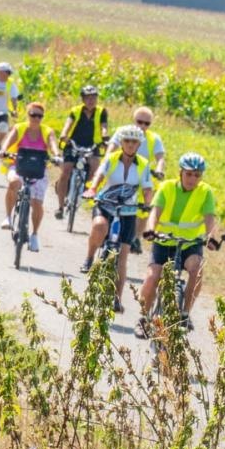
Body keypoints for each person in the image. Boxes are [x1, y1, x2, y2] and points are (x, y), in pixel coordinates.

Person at [137, 153, 221, 336]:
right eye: (189, 174)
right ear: (180, 172)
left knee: (197, 269)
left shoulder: (205, 192)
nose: (192, 179)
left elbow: (209, 219)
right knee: (153, 277)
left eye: (197, 175)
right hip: (163, 241)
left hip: (189, 244)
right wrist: (150, 229)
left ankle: (184, 313)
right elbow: (155, 212)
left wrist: (212, 237)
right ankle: (143, 318)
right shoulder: (167, 187)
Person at [81, 125, 155, 312]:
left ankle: (116, 299)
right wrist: (92, 189)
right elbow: (99, 175)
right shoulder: (112, 158)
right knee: (99, 226)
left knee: (122, 255)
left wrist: (148, 202)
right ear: (121, 142)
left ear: (139, 144)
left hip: (128, 210)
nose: (130, 145)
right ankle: (89, 258)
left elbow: (147, 187)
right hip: (106, 204)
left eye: (134, 142)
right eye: (127, 141)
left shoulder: (144, 164)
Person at [0, 103, 60, 252]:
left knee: (37, 202)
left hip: (39, 170)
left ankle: (34, 234)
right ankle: (8, 216)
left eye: (39, 116)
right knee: (14, 183)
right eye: (33, 115)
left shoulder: (47, 131)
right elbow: (8, 140)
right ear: (28, 115)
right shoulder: (20, 128)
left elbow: (53, 144)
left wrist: (57, 155)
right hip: (18, 166)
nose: (36, 118)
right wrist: (3, 150)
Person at [55, 86, 109, 220]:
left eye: (94, 98)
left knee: (95, 168)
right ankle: (60, 207)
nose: (91, 101)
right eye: (88, 98)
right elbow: (68, 124)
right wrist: (64, 135)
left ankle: (86, 191)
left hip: (92, 145)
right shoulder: (76, 111)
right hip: (73, 144)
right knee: (66, 171)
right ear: (83, 99)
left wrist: (105, 137)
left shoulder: (101, 111)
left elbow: (104, 127)